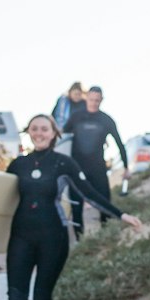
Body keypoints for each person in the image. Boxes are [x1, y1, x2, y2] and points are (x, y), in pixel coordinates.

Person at [6, 115, 141, 300]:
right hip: (20, 236)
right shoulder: (17, 165)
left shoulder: (63, 163)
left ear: (54, 132)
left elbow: (89, 192)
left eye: (44, 128)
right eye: (34, 129)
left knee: (41, 298)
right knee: (15, 297)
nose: (39, 133)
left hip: (53, 238)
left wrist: (120, 214)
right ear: (29, 133)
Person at [64, 86, 130, 239]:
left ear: (101, 100)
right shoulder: (76, 117)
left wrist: (126, 167)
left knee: (104, 203)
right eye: (91, 99)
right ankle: (79, 241)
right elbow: (63, 138)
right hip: (76, 168)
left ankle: (105, 239)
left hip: (98, 168)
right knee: (76, 206)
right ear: (86, 98)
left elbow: (120, 144)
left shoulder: (106, 120)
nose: (94, 103)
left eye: (97, 100)